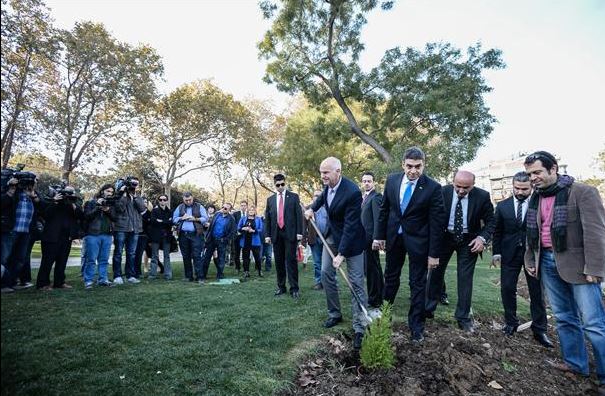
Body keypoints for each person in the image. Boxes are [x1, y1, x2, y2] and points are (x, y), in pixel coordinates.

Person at [523, 151, 605, 389]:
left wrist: (595, 268)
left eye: (537, 172)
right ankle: (576, 363)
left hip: (580, 267)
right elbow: (533, 234)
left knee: (594, 323)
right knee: (564, 318)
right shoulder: (535, 198)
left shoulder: (582, 192)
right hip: (547, 263)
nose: (533, 178)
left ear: (553, 168)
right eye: (530, 174)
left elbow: (596, 234)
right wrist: (531, 259)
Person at [374, 146, 446, 343]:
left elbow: (437, 224)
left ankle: (416, 327)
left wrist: (434, 254)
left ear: (424, 165)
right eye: (409, 166)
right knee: (390, 279)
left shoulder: (433, 188)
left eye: (418, 166)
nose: (413, 170)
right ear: (402, 164)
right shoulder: (392, 181)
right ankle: (385, 317)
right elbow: (384, 210)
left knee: (417, 284)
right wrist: (379, 236)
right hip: (394, 240)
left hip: (419, 242)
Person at [305, 157, 367, 350]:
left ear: (338, 171)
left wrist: (341, 254)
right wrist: (311, 209)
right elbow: (322, 198)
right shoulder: (327, 186)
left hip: (353, 242)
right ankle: (335, 314)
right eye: (321, 172)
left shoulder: (352, 192)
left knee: (356, 282)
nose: (322, 175)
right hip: (331, 237)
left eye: (326, 172)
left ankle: (359, 327)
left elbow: (350, 227)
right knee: (325, 273)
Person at [425, 170, 494, 333]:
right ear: (452, 181)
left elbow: (492, 221)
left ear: (473, 185)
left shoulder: (482, 196)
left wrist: (482, 239)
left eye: (466, 188)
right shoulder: (442, 192)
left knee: (465, 278)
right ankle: (427, 310)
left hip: (468, 240)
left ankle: (463, 317)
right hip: (444, 238)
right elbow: (431, 216)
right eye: (458, 186)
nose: (461, 191)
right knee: (435, 273)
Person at [491, 172, 552, 347]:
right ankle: (511, 323)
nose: (520, 191)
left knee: (536, 292)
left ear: (531, 187)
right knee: (507, 288)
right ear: (513, 185)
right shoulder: (502, 206)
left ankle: (540, 329)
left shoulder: (539, 203)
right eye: (516, 188)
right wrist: (496, 253)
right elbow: (497, 232)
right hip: (509, 254)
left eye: (524, 189)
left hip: (533, 254)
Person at [36, 186, 83, 290]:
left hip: (66, 237)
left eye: (70, 194)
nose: (68, 196)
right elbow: (45, 215)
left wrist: (73, 204)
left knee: (62, 261)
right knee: (47, 262)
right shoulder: (51, 201)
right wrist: (55, 202)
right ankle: (43, 284)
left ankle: (59, 282)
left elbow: (81, 216)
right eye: (66, 194)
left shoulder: (73, 205)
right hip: (51, 237)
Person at [264, 173, 303, 298]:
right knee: (279, 262)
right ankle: (281, 287)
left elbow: (299, 216)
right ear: (274, 185)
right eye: (278, 185)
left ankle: (294, 288)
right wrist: (267, 235)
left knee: (291, 261)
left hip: (290, 233)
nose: (280, 187)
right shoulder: (270, 200)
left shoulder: (294, 197)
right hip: (276, 234)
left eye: (282, 184)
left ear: (285, 183)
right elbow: (268, 219)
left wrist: (299, 233)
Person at [1, 176, 42, 292]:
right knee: (5, 258)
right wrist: (11, 190)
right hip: (11, 230)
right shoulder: (13, 192)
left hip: (26, 232)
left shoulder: (34, 195)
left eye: (33, 182)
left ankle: (12, 283)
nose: (31, 184)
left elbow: (44, 208)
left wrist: (35, 197)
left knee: (20, 259)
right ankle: (3, 284)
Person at [111, 176, 147, 285]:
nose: (133, 186)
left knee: (131, 253)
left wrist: (135, 196)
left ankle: (130, 275)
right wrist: (123, 195)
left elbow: (142, 209)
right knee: (118, 253)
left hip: (135, 229)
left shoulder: (137, 196)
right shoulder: (118, 196)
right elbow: (119, 208)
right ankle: (117, 276)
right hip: (121, 228)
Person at [82, 184, 115, 288]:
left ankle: (103, 279)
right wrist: (97, 206)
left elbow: (115, 218)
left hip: (107, 235)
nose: (110, 193)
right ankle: (88, 280)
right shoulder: (90, 203)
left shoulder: (111, 204)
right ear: (102, 191)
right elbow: (86, 217)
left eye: (111, 192)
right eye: (108, 191)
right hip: (93, 234)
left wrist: (107, 210)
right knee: (91, 259)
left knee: (104, 259)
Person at [360, 171, 384, 316]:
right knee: (371, 268)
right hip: (363, 239)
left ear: (374, 182)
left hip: (371, 240)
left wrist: (377, 238)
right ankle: (379, 294)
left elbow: (378, 219)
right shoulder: (364, 197)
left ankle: (375, 299)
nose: (367, 183)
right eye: (364, 181)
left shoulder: (376, 197)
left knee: (372, 269)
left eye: (369, 181)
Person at [172, 192, 208, 283]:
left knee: (197, 256)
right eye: (186, 200)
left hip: (196, 235)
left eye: (190, 200)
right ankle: (188, 276)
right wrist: (182, 218)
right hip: (183, 235)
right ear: (183, 199)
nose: (188, 202)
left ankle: (200, 277)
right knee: (186, 256)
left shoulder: (199, 206)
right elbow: (174, 219)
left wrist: (195, 219)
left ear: (193, 198)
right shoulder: (180, 207)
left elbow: (205, 218)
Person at [201, 204, 236, 282]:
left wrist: (225, 239)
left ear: (229, 210)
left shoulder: (231, 219)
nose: (223, 209)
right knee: (206, 257)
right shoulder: (217, 215)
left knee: (221, 258)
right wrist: (207, 237)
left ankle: (220, 274)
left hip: (222, 241)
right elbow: (211, 227)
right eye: (222, 207)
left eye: (226, 208)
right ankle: (203, 275)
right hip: (212, 239)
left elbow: (233, 232)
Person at [306, 190, 327, 290]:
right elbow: (303, 225)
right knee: (317, 263)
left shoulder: (328, 207)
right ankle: (319, 282)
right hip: (314, 239)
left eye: (319, 195)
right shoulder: (309, 209)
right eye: (315, 195)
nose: (317, 197)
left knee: (329, 262)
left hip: (327, 240)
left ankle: (331, 282)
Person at [148, 194, 173, 280]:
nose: (162, 201)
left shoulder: (170, 212)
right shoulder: (154, 211)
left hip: (166, 237)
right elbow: (153, 222)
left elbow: (171, 223)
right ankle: (152, 275)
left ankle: (168, 275)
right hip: (156, 237)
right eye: (160, 199)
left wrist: (161, 221)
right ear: (158, 201)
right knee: (154, 256)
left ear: (167, 201)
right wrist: (166, 221)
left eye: (164, 199)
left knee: (167, 256)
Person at [238, 205, 264, 278]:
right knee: (245, 257)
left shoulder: (258, 219)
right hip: (245, 240)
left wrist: (254, 230)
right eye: (250, 210)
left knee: (257, 257)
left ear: (255, 211)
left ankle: (259, 270)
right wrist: (244, 228)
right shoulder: (243, 218)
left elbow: (260, 229)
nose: (251, 211)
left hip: (255, 240)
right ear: (248, 211)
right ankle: (246, 271)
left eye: (253, 210)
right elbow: (238, 228)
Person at [231, 200, 247, 273]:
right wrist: (236, 231)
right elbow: (233, 224)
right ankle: (237, 267)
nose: (243, 207)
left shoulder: (249, 214)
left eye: (244, 205)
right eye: (242, 205)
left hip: (246, 236)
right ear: (240, 206)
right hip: (237, 236)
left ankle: (245, 268)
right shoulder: (235, 214)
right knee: (236, 253)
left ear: (246, 206)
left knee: (245, 253)